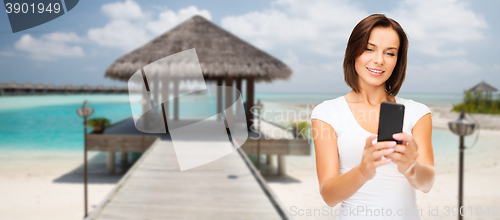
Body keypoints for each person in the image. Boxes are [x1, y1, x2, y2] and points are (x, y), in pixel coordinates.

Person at [310, 14, 435, 220]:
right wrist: (362, 171)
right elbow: (329, 196)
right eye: (370, 49)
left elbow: (427, 184)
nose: (379, 60)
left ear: (398, 60)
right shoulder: (327, 113)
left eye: (390, 53)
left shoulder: (417, 112)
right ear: (354, 52)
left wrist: (412, 167)